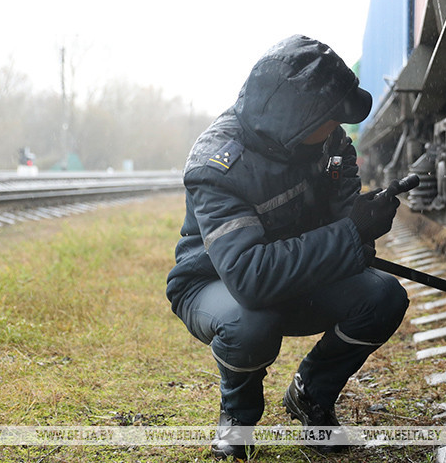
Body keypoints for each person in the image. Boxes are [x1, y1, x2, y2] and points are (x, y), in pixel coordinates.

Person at [165, 34, 409, 460]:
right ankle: (237, 418)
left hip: (298, 277)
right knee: (249, 324)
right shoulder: (216, 165)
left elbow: (342, 216)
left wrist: (365, 218)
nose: (338, 127)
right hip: (219, 283)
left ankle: (310, 394)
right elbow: (250, 277)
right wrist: (351, 234)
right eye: (330, 117)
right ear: (297, 116)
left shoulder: (328, 143)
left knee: (384, 297)